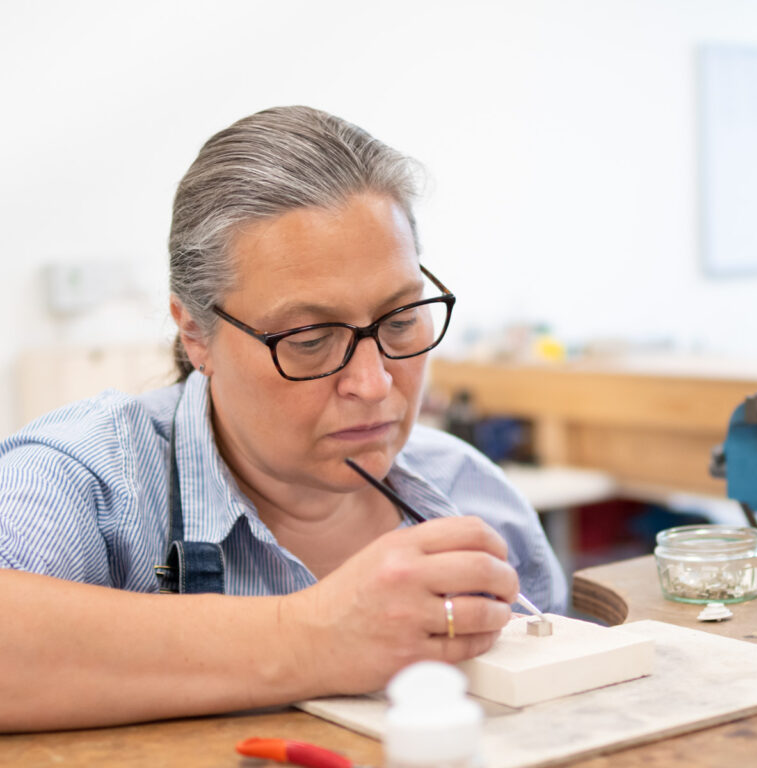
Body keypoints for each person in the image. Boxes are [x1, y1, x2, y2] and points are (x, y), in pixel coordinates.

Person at [0, 106, 566, 732]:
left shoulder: (473, 495)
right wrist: (316, 638)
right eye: (308, 338)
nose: (374, 384)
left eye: (401, 320)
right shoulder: (88, 481)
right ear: (197, 334)